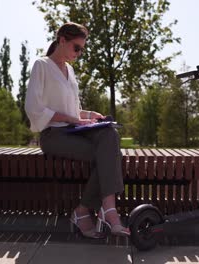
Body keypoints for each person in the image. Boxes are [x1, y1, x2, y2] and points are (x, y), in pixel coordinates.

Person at [24, 22, 130, 238]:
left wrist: (91, 116)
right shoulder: (41, 65)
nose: (79, 53)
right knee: (109, 156)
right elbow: (34, 108)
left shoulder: (69, 70)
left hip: (73, 132)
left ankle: (97, 210)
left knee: (109, 134)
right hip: (53, 136)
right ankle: (101, 212)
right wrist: (74, 119)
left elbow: (73, 110)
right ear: (62, 40)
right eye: (76, 48)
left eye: (82, 49)